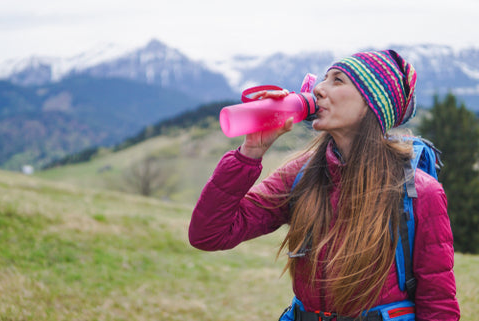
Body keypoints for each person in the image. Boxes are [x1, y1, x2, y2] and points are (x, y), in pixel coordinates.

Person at [189, 50, 460, 320]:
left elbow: (438, 306)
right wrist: (250, 152)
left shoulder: (418, 192)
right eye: (324, 79)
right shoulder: (302, 174)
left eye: (338, 80)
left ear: (373, 104)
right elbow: (209, 234)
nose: (318, 88)